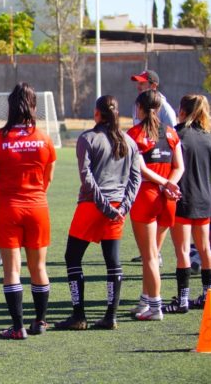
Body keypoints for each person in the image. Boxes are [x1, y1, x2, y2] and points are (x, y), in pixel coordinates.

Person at [55, 95, 141, 331]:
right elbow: (136, 178)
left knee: (72, 257)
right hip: (117, 206)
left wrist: (104, 206)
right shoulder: (129, 141)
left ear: (97, 113)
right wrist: (123, 207)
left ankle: (79, 316)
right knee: (112, 261)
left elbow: (87, 177)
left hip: (93, 205)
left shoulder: (88, 138)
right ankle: (110, 316)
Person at [0, 83, 56, 339]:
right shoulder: (44, 138)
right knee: (39, 267)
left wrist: (4, 197)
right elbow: (48, 178)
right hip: (37, 207)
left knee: (12, 270)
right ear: (33, 106)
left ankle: (17, 328)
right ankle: (40, 322)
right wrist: (34, 194)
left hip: (7, 208)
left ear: (10, 106)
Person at [128, 90, 184, 321]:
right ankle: (146, 299)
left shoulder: (134, 134)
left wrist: (162, 184)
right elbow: (179, 166)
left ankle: (155, 306)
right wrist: (170, 185)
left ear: (139, 108)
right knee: (152, 254)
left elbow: (141, 169)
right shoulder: (170, 132)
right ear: (159, 109)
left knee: (149, 256)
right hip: (167, 199)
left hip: (146, 197)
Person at [164, 95, 211, 313]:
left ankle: (183, 300)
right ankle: (207, 296)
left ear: (183, 111)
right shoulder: (208, 138)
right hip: (204, 198)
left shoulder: (177, 135)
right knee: (205, 249)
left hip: (184, 198)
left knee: (183, 250)